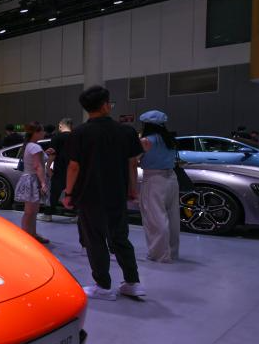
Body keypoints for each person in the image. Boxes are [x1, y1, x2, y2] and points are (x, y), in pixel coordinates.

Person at [63, 86, 144, 301]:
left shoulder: (79, 133)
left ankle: (103, 286)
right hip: (117, 194)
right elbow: (132, 163)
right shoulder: (126, 131)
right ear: (106, 105)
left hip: (89, 195)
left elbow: (74, 167)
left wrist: (68, 193)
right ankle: (132, 282)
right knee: (120, 237)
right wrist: (132, 189)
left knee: (95, 240)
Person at [139, 110, 180, 263]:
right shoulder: (170, 140)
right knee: (172, 216)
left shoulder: (146, 141)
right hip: (172, 178)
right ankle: (172, 252)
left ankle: (160, 254)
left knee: (155, 217)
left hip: (154, 179)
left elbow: (133, 159)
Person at [16, 122, 50, 244]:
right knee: (30, 211)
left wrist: (46, 154)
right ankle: (26, 238)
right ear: (36, 133)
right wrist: (43, 183)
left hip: (30, 178)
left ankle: (32, 235)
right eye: (42, 131)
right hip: (33, 179)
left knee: (32, 211)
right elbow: (38, 166)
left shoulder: (30, 145)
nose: (44, 133)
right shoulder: (35, 147)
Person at [41, 118, 75, 223]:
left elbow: (52, 154)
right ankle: (77, 215)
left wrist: (48, 168)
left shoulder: (57, 137)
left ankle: (48, 214)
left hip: (60, 170)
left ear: (60, 125)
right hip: (74, 170)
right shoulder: (76, 137)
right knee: (75, 192)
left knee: (54, 193)